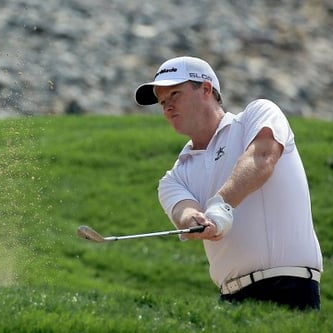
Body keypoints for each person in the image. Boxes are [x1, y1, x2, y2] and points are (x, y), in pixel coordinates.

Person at [134, 56, 323, 310]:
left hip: (290, 287)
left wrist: (220, 206)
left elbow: (262, 157)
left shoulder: (257, 115)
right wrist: (196, 221)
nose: (167, 107)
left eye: (175, 94)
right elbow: (183, 212)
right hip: (231, 300)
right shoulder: (175, 176)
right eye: (162, 102)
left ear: (206, 89)